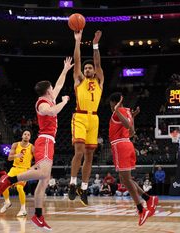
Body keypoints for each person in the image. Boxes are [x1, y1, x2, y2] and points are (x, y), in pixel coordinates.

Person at [0, 57, 73, 231]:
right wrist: (65, 102)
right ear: (47, 91)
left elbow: (59, 85)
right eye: (52, 88)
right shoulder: (42, 103)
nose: (55, 89)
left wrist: (65, 69)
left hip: (49, 141)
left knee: (44, 180)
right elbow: (52, 111)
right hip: (44, 140)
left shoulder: (49, 98)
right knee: (44, 173)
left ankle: (38, 216)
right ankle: (10, 179)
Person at [109, 92, 157, 226]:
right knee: (125, 179)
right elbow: (132, 132)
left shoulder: (118, 112)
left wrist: (116, 111)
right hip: (127, 144)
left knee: (126, 180)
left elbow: (127, 127)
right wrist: (132, 116)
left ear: (114, 102)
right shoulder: (128, 112)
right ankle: (148, 199)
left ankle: (141, 209)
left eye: (111, 104)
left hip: (120, 145)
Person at [69, 30, 104, 206]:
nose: (88, 69)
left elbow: (98, 63)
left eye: (90, 68)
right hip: (80, 116)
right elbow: (77, 61)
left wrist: (95, 45)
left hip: (94, 119)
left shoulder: (99, 80)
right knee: (79, 152)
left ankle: (83, 188)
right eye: (86, 68)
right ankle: (72, 183)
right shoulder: (79, 79)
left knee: (89, 157)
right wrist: (78, 41)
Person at [0, 130, 34, 217]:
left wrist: (34, 168)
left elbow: (37, 159)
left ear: (30, 137)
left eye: (28, 135)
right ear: (22, 136)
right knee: (3, 184)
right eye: (25, 134)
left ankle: (23, 209)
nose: (26, 136)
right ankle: (7, 202)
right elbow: (9, 158)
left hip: (25, 170)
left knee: (19, 187)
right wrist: (16, 155)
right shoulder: (15, 144)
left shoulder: (32, 147)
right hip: (14, 169)